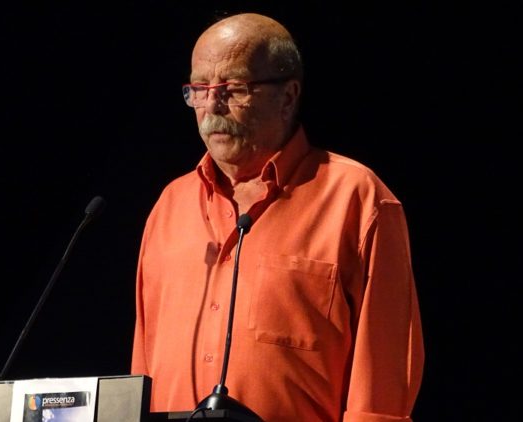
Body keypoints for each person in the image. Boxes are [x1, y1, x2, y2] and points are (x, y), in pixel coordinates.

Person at [130, 12, 424, 422]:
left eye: (233, 89)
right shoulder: (170, 205)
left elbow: (382, 390)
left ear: (287, 96)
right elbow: (143, 366)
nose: (211, 106)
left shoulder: (357, 198)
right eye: (199, 89)